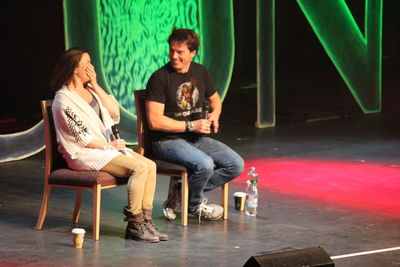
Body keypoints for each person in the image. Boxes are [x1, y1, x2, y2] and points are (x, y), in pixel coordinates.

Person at [50, 47, 168, 242]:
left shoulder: (90, 91)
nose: (91, 67)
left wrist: (96, 85)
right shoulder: (63, 100)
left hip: (104, 149)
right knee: (139, 168)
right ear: (74, 69)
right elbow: (80, 137)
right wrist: (107, 147)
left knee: (150, 165)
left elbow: (113, 112)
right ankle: (134, 224)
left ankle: (146, 221)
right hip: (83, 154)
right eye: (86, 64)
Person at [146, 28, 245, 221]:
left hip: (195, 138)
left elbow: (216, 99)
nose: (174, 56)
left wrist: (215, 115)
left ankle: (182, 192)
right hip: (166, 141)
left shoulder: (201, 72)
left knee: (236, 164)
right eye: (172, 50)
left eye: (180, 52)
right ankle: (194, 205)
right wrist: (191, 126)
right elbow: (154, 120)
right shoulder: (159, 78)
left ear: (192, 53)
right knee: (205, 164)